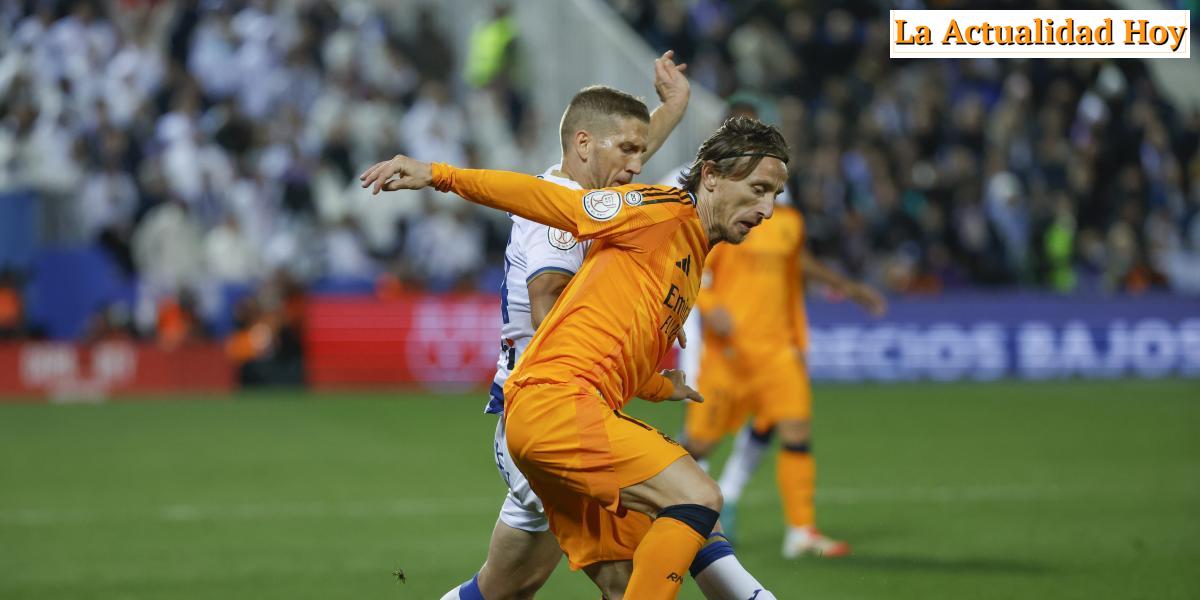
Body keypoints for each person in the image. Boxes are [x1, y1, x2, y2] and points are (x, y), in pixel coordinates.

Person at [362, 115, 789, 599]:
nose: (768, 209)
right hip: (557, 406)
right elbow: (551, 201)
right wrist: (440, 175)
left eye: (775, 194)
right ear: (711, 175)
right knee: (698, 496)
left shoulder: (688, 253)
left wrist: (658, 385)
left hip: (560, 415)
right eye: (758, 189)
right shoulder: (662, 212)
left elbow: (611, 348)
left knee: (616, 577)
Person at [682, 197, 886, 558]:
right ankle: (661, 510)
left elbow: (797, 262)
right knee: (699, 445)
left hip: (779, 352)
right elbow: (693, 269)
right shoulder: (727, 217)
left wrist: (849, 289)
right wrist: (711, 308)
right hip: (729, 357)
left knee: (796, 434)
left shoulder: (791, 221)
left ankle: (801, 531)